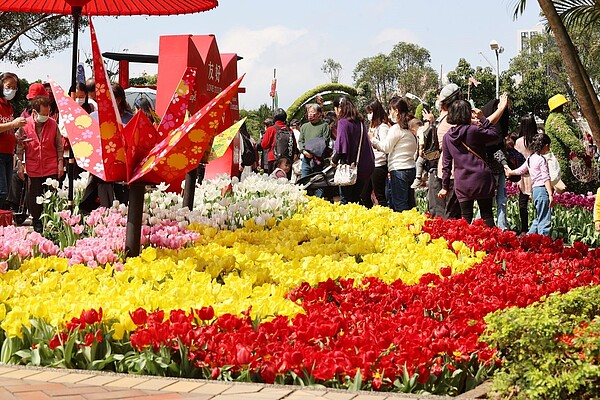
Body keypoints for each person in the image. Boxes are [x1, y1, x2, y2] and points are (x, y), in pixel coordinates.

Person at [438, 100, 499, 228]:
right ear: (467, 114)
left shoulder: (447, 137)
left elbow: (446, 165)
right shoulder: (474, 131)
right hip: (481, 179)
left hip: (462, 182)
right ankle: (492, 246)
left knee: (465, 218)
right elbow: (495, 134)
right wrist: (483, 118)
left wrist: (444, 187)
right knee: (487, 216)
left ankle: (465, 245)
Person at [81, 83, 134, 212]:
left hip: (122, 173)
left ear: (118, 100)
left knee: (122, 208)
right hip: (100, 173)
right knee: (104, 207)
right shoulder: (93, 117)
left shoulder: (130, 120)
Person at [15, 95, 64, 233]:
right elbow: (20, 148)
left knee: (51, 196)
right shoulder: (24, 125)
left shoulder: (53, 124)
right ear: (34, 112)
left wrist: (60, 163)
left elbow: (59, 146)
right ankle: (36, 221)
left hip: (51, 167)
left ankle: (50, 221)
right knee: (34, 195)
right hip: (33, 167)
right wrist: (20, 164)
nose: (46, 116)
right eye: (43, 114)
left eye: (47, 113)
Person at [371, 97, 418, 212]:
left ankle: (404, 228)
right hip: (410, 168)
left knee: (400, 205)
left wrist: (373, 140)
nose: (390, 113)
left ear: (396, 111)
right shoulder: (409, 129)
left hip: (399, 170)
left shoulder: (396, 129)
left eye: (391, 110)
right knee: (410, 204)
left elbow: (386, 148)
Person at [505, 133, 554, 236]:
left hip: (535, 191)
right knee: (544, 219)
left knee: (539, 217)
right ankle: (544, 242)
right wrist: (550, 194)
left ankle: (528, 238)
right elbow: (546, 178)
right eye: (548, 146)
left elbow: (520, 170)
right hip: (542, 190)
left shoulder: (531, 158)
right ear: (545, 145)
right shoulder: (542, 159)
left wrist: (510, 172)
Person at [427, 84, 462, 220]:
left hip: (444, 171)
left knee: (442, 212)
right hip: (451, 172)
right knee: (450, 215)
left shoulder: (446, 119)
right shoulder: (453, 120)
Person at [332, 96, 375, 204]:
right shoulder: (360, 122)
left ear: (339, 108)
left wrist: (334, 161)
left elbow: (341, 147)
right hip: (364, 167)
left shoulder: (343, 122)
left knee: (346, 200)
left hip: (349, 169)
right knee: (356, 199)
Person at [0, 72, 26, 209]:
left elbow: (7, 130)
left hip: (8, 154)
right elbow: (9, 126)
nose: (11, 90)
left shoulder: (9, 106)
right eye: (8, 86)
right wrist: (13, 124)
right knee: (2, 191)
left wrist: (17, 140)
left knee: (6, 191)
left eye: (15, 87)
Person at [299, 103, 330, 197]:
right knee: (304, 184)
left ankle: (318, 203)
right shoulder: (304, 126)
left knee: (319, 184)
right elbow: (300, 141)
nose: (310, 115)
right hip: (306, 159)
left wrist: (314, 152)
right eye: (309, 112)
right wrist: (304, 151)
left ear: (319, 114)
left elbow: (325, 141)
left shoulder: (324, 126)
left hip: (318, 160)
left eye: (313, 112)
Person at [363, 99, 390, 207]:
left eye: (371, 112)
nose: (369, 115)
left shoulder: (383, 128)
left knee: (380, 196)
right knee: (364, 195)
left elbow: (385, 147)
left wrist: (372, 139)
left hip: (379, 165)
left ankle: (384, 217)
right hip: (370, 165)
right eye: (368, 113)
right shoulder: (371, 127)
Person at [514, 115, 537, 233]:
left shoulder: (518, 142)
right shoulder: (537, 140)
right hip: (536, 176)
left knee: (522, 204)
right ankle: (537, 229)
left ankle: (524, 229)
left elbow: (516, 159)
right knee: (537, 204)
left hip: (522, 176)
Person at [260, 108, 298, 174]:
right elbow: (294, 145)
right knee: (285, 181)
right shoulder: (289, 130)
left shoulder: (271, 129)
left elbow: (264, 145)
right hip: (286, 161)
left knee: (273, 181)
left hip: (273, 159)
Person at [410, 117, 427, 189]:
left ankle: (418, 178)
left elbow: (421, 140)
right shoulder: (425, 128)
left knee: (419, 163)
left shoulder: (420, 131)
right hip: (428, 152)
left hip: (424, 152)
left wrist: (420, 148)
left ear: (413, 130)